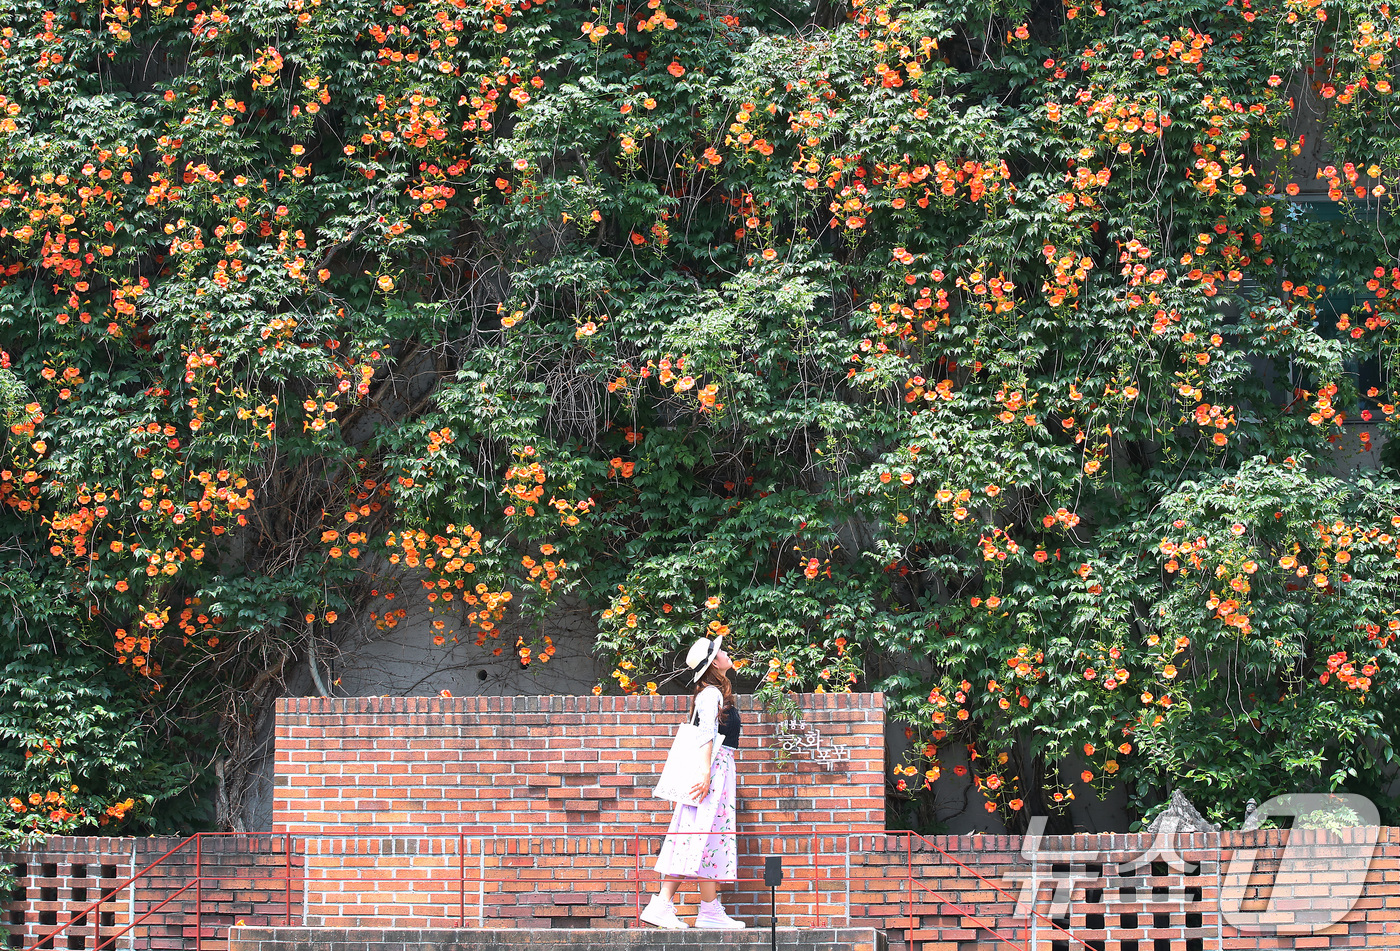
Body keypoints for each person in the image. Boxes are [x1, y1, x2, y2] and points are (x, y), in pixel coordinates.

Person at [639, 635, 747, 930]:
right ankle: (688, 908)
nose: (727, 653)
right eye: (721, 651)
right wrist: (705, 773)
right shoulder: (710, 695)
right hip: (712, 771)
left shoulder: (712, 694)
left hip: (715, 770)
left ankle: (693, 908)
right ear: (714, 662)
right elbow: (705, 734)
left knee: (701, 835)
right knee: (700, 834)